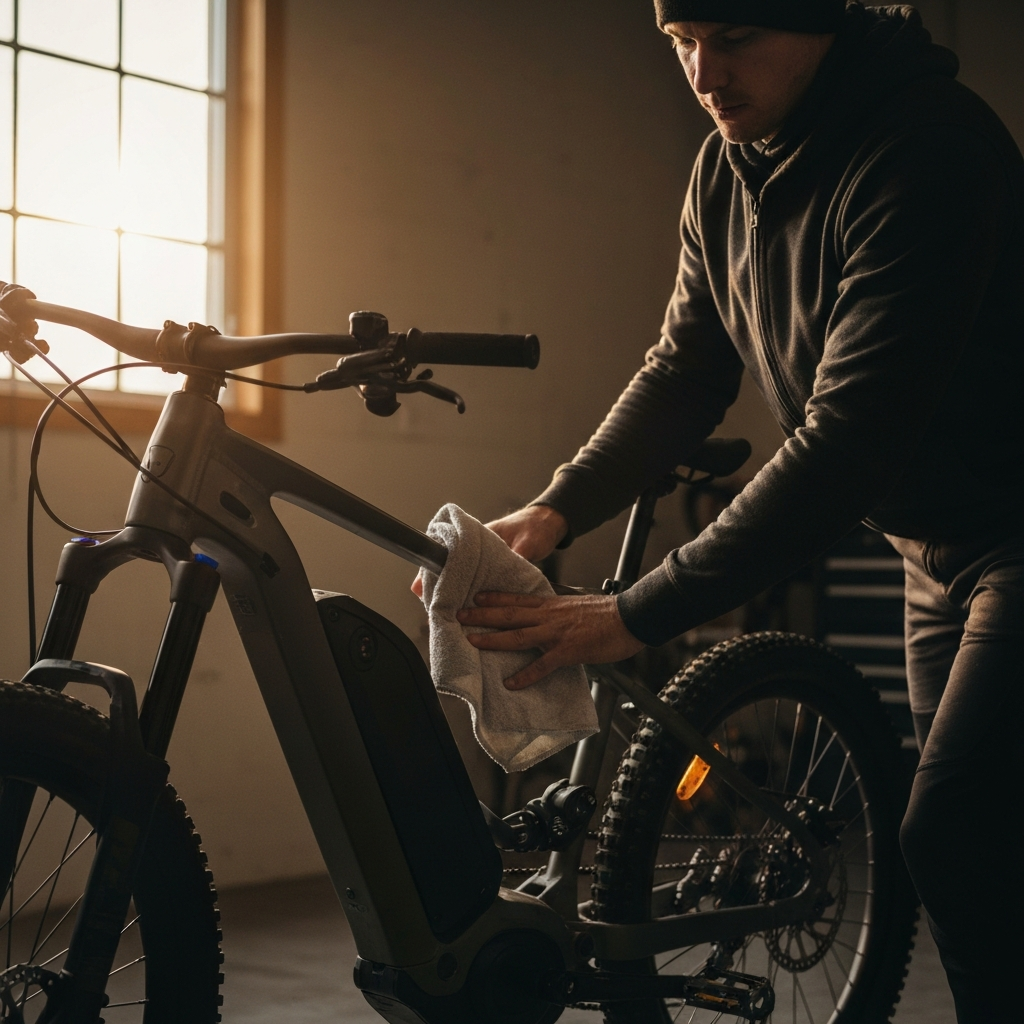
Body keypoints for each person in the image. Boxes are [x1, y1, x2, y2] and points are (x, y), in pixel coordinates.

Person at [448, 2, 1024, 1021]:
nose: (706, 75)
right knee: (985, 841)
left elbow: (849, 436)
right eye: (681, 43)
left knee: (955, 830)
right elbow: (684, 368)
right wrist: (556, 508)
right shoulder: (729, 165)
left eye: (736, 38)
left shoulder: (929, 148)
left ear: (818, 21)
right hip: (932, 547)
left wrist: (631, 613)